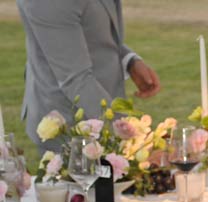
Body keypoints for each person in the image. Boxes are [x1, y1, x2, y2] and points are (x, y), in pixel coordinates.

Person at [17, 0, 161, 151]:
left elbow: (90, 29)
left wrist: (128, 60)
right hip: (69, 125)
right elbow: (75, 79)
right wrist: (135, 140)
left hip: (103, 112)